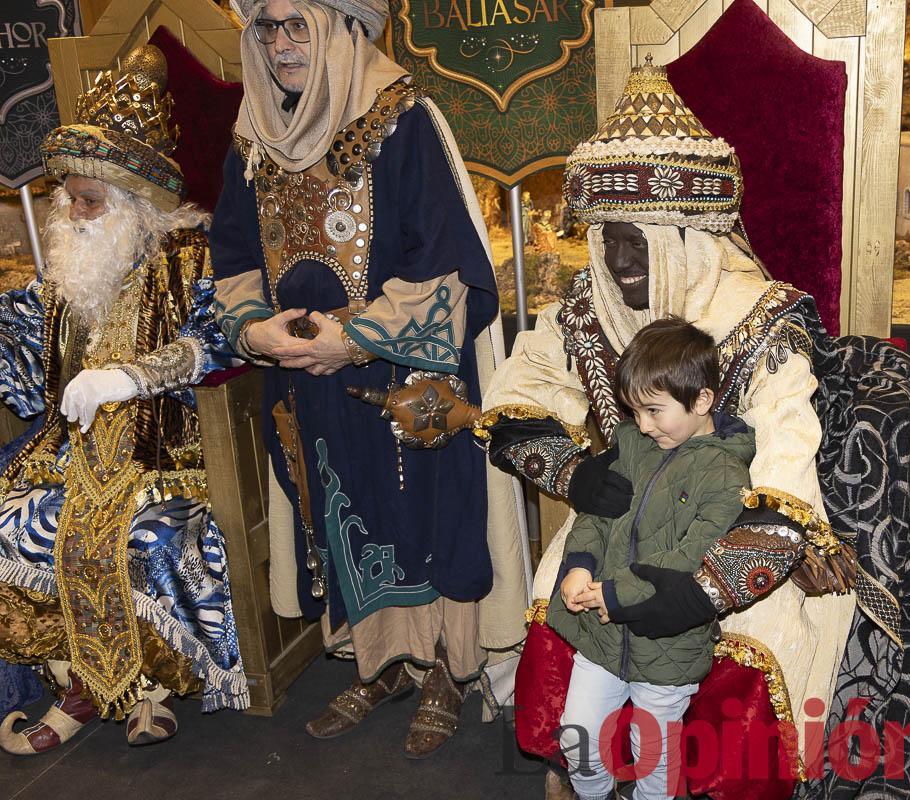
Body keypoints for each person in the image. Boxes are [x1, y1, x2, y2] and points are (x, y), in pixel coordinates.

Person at [481, 62, 910, 799]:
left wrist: (707, 587)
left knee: (760, 642)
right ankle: (590, 764)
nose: (621, 261)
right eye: (609, 238)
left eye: (639, 241)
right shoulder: (587, 299)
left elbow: (786, 449)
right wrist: (575, 474)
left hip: (733, 515)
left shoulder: (757, 313)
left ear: (686, 233)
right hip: (625, 501)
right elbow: (521, 396)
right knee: (561, 581)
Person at [211, 0, 528, 756]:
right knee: (341, 511)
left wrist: (352, 339)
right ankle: (380, 659)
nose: (281, 45)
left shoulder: (404, 119)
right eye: (267, 28)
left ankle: (450, 669)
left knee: (433, 517)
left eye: (297, 25)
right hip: (304, 379)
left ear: (340, 25)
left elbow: (445, 266)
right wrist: (253, 327)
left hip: (407, 374)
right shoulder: (255, 135)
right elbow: (230, 255)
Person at [0, 45, 247, 755]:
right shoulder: (67, 280)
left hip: (172, 464)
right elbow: (17, 341)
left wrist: (134, 377)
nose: (73, 214)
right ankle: (76, 683)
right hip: (68, 466)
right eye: (67, 198)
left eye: (90, 201)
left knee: (155, 540)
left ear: (135, 207)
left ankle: (151, 685)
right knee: (17, 524)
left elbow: (222, 340)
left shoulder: (191, 258)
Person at [551, 317, 754, 800]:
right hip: (602, 635)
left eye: (653, 411)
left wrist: (619, 592)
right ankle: (596, 793)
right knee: (576, 735)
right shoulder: (636, 445)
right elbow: (599, 514)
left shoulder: (725, 473)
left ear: (702, 400)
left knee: (655, 759)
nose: (641, 425)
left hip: (668, 647)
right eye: (634, 411)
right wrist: (579, 562)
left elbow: (693, 556)